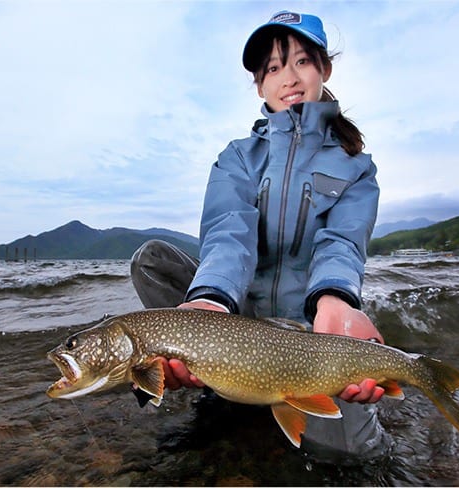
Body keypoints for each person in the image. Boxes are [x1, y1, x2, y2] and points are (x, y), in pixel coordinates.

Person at [131, 10, 388, 458]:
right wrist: (209, 301)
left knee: (352, 457)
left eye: (302, 62)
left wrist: (335, 301)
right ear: (259, 83)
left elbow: (342, 244)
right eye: (272, 67)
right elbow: (229, 232)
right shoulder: (237, 158)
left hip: (312, 333)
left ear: (324, 69)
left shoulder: (357, 167)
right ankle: (218, 377)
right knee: (151, 259)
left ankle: (265, 387)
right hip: (237, 322)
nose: (288, 78)